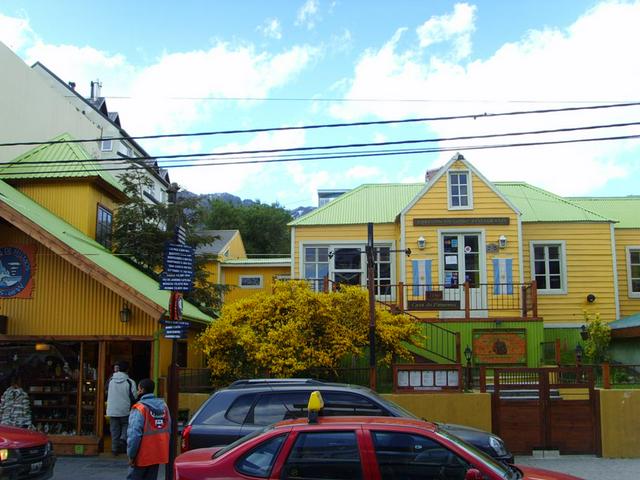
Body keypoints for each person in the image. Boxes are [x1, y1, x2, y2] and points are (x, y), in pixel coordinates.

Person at [126, 378, 170, 480]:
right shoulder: (164, 407)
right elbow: (168, 429)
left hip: (142, 455)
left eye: (138, 389)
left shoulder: (140, 408)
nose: (137, 392)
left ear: (141, 390)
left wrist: (131, 455)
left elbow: (134, 435)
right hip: (158, 454)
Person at [106, 361, 137, 456]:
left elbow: (106, 391)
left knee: (114, 430)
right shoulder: (130, 382)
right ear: (127, 370)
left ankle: (114, 449)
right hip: (125, 409)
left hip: (112, 409)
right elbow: (134, 397)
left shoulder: (110, 380)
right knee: (126, 425)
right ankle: (123, 439)